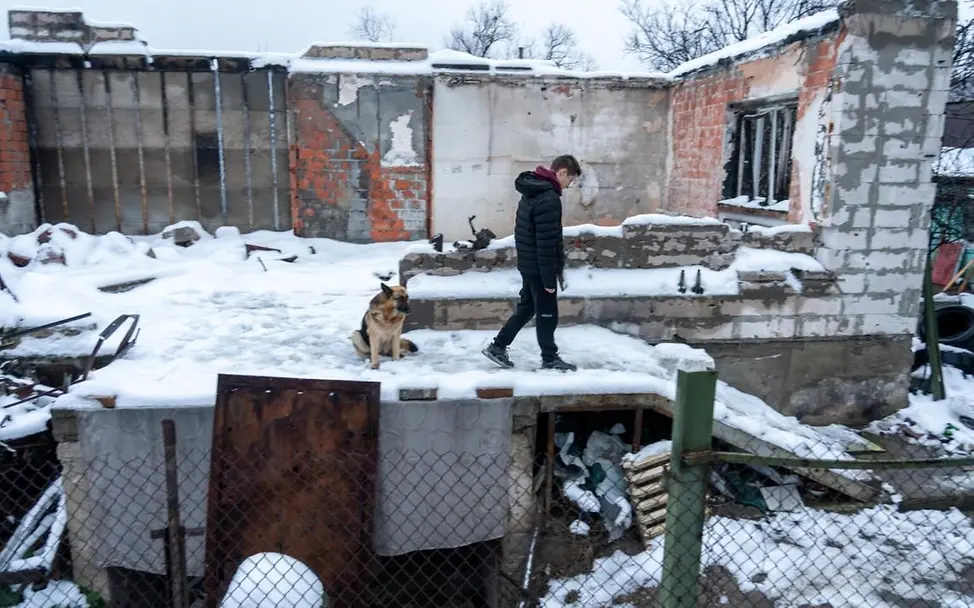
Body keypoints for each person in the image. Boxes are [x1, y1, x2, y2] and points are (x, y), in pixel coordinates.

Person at [482, 155, 581, 372]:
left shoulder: (532, 191)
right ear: (562, 172)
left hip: (529, 263)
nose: (569, 185)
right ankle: (549, 357)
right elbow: (546, 242)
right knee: (548, 312)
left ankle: (498, 346)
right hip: (539, 267)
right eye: (570, 180)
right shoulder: (549, 198)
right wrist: (548, 278)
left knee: (527, 308)